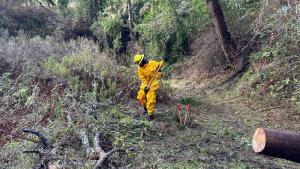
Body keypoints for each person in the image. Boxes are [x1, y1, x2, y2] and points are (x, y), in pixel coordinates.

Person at [133, 54, 167, 121]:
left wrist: (164, 61)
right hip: (145, 84)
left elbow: (160, 65)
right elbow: (143, 79)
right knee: (140, 96)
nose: (139, 64)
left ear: (143, 60)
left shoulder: (152, 63)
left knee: (150, 100)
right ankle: (145, 109)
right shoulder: (140, 69)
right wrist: (146, 87)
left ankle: (150, 116)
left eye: (139, 63)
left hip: (153, 84)